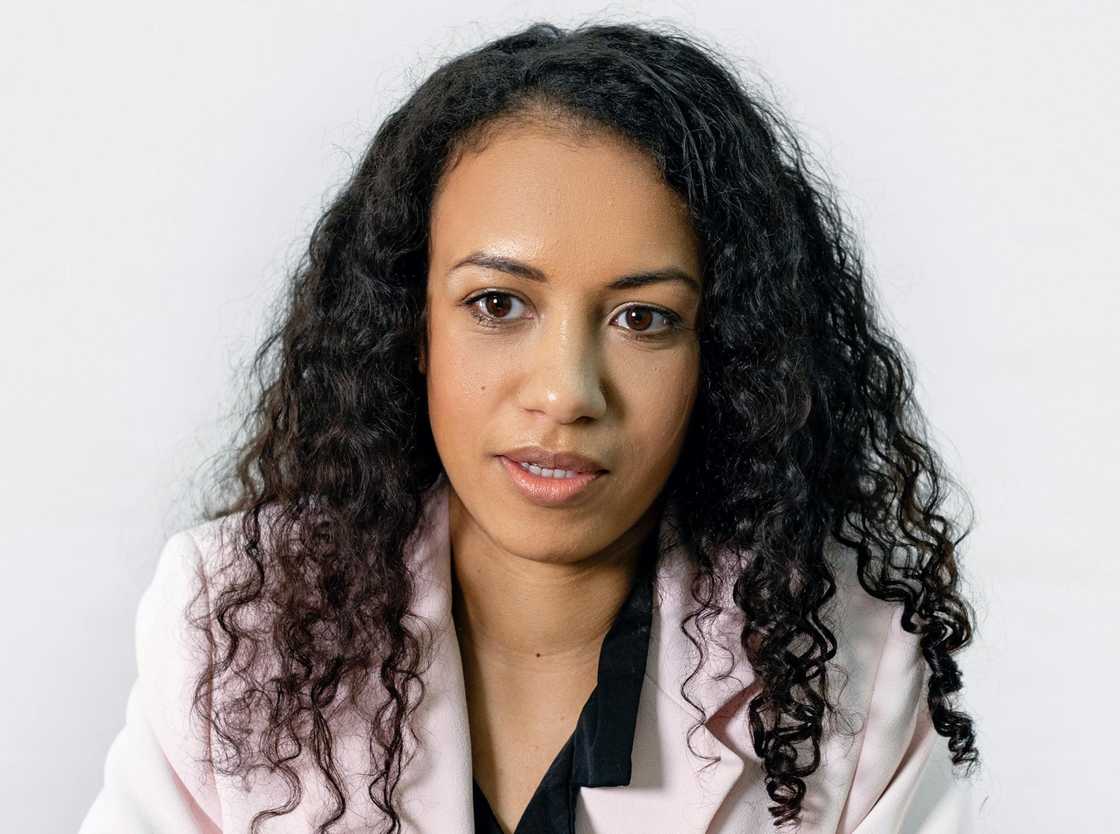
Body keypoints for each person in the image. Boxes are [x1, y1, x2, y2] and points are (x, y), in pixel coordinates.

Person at [80, 20, 981, 834]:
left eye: (643, 318)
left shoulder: (853, 664)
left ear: (728, 354)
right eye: (498, 302)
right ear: (410, 326)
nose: (564, 393)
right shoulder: (231, 618)